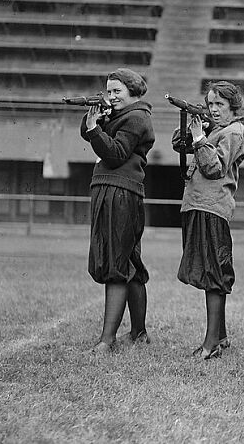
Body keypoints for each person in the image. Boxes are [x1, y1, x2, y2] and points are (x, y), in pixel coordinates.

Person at [80, 68, 155, 353]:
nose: (111, 96)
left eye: (117, 92)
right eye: (108, 91)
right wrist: (94, 120)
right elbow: (89, 133)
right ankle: (138, 332)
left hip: (120, 192)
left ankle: (107, 340)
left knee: (116, 264)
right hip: (112, 190)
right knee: (130, 264)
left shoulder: (136, 117)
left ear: (133, 92)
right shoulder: (120, 115)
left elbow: (115, 154)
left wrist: (95, 128)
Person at [172, 81, 244, 360]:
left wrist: (199, 139)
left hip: (212, 208)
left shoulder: (234, 131)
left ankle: (210, 344)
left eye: (219, 105)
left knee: (213, 275)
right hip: (198, 205)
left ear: (232, 106)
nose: (213, 109)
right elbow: (178, 145)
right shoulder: (214, 129)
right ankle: (221, 337)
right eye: (210, 104)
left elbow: (214, 168)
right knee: (207, 271)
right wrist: (193, 129)